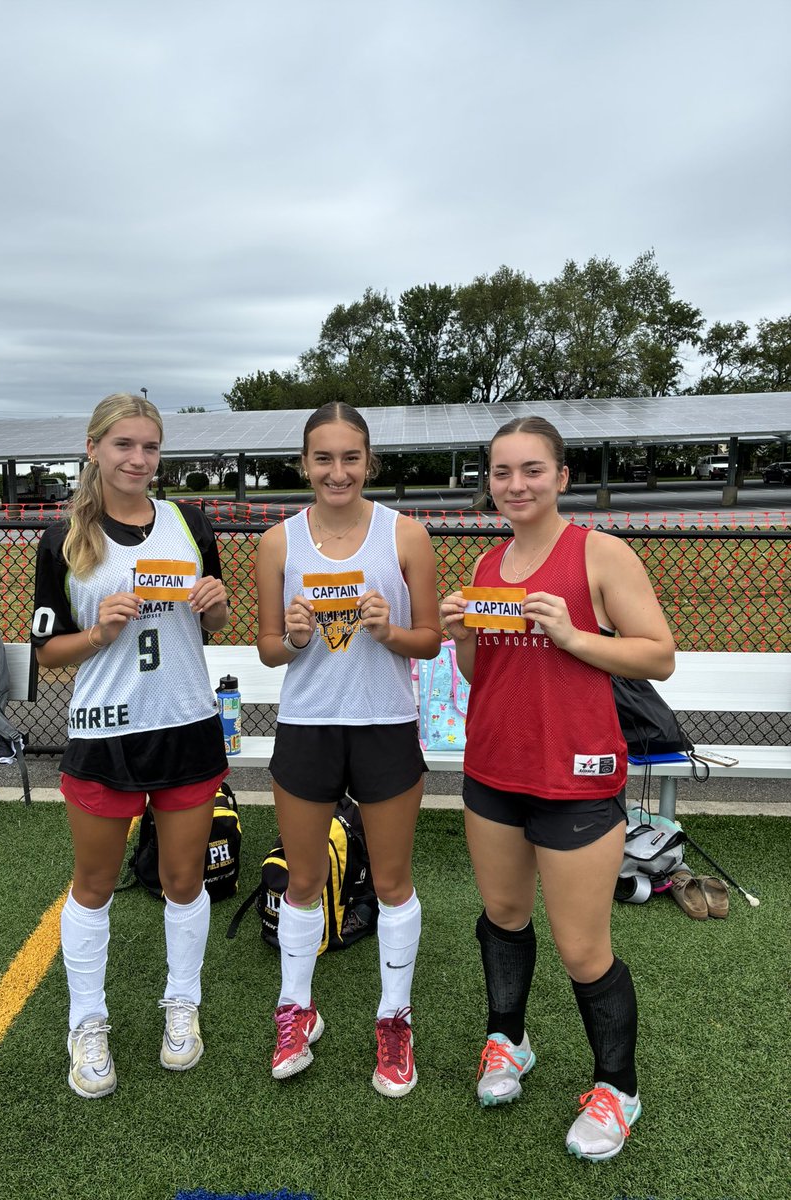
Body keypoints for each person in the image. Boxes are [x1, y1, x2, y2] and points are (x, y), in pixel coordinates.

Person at [440, 416, 675, 1161]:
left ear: (562, 477)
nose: (516, 485)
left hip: (576, 777)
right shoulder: (485, 563)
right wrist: (465, 634)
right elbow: (484, 676)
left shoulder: (599, 554)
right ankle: (508, 1041)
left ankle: (617, 1087)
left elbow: (659, 657)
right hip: (493, 772)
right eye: (502, 472)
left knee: (583, 948)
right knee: (504, 918)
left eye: (532, 470)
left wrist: (575, 636)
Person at [31, 392, 230, 1099]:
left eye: (149, 447)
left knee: (183, 881)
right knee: (93, 887)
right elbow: (46, 653)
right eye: (124, 446)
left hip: (184, 722)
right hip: (105, 731)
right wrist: (98, 634)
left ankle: (183, 1004)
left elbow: (215, 619)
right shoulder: (62, 538)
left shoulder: (190, 522)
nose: (138, 459)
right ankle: (88, 1023)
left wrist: (216, 603)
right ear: (94, 449)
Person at [256, 401, 441, 1096]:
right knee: (304, 881)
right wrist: (297, 639)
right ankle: (297, 1010)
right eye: (324, 458)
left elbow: (430, 640)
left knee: (393, 883)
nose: (338, 471)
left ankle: (395, 1021)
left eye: (351, 457)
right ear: (303, 464)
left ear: (370, 463)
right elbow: (268, 647)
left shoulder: (406, 534)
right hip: (308, 724)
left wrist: (391, 631)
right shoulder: (279, 542)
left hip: (386, 723)